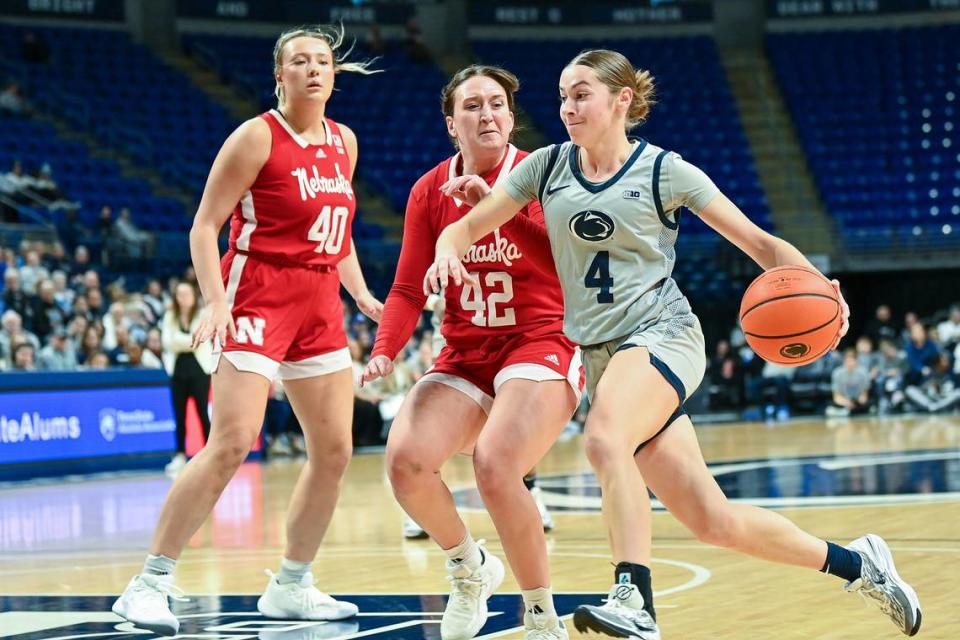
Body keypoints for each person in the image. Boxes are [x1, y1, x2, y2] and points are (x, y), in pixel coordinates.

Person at [425, 49, 921, 639]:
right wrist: (451, 242)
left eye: (581, 94)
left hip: (664, 335)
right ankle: (862, 565)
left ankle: (635, 598)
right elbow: (470, 222)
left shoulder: (665, 171)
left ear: (621, 100)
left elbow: (761, 245)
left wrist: (827, 294)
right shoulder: (545, 167)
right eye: (562, 95)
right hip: (603, 356)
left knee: (606, 439)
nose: (567, 107)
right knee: (713, 521)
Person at [111, 25, 383, 636]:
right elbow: (204, 226)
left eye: (322, 60)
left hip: (318, 301)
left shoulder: (346, 142)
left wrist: (361, 292)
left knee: (334, 450)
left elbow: (336, 237)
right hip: (257, 289)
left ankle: (292, 585)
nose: (313, 69)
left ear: (334, 75)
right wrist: (214, 299)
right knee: (232, 441)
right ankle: (148, 583)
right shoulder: (255, 136)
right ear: (279, 75)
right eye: (299, 61)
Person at [361, 65, 581, 640]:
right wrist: (386, 349)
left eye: (497, 105)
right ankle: (469, 567)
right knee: (404, 462)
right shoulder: (427, 191)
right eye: (473, 106)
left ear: (510, 117)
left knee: (495, 464)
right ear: (451, 124)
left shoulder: (543, 176)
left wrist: (495, 208)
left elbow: (568, 269)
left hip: (543, 338)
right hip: (466, 351)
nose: (487, 114)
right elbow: (409, 288)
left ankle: (540, 616)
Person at [161, 282, 213, 476]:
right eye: (179, 294)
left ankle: (210, 454)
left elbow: (199, 341)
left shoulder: (202, 315)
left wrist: (179, 340)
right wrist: (187, 341)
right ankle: (180, 455)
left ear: (193, 295)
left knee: (202, 413)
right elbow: (167, 342)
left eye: (186, 293)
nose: (183, 297)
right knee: (179, 415)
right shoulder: (169, 317)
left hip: (199, 371)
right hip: (178, 372)